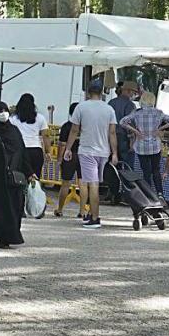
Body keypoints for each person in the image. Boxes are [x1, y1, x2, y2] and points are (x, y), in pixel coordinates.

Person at [0, 101, 39, 248]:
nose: (3, 113)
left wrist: (30, 172)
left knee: (15, 207)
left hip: (15, 176)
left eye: (5, 110)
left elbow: (22, 153)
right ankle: (2, 239)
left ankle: (13, 235)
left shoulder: (14, 131)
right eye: (0, 111)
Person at [67, 84, 118, 229]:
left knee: (92, 184)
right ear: (102, 93)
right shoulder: (109, 109)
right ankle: (91, 214)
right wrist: (114, 153)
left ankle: (95, 217)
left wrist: (68, 148)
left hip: (87, 150)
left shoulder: (81, 107)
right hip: (104, 151)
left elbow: (74, 130)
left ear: (88, 93)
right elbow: (112, 132)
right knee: (95, 183)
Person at [120, 91, 169, 196]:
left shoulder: (136, 113)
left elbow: (122, 122)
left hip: (141, 146)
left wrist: (136, 131)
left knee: (146, 171)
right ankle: (160, 193)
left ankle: (149, 194)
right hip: (155, 146)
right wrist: (160, 128)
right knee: (156, 170)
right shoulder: (158, 112)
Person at [9, 93, 49, 183]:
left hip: (20, 151)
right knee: (35, 179)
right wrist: (48, 151)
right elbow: (46, 136)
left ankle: (21, 196)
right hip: (36, 151)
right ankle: (33, 196)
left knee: (19, 178)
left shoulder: (13, 119)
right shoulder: (40, 118)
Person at [54, 103, 81, 218]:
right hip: (83, 155)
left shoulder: (66, 126)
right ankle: (83, 211)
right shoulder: (85, 126)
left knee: (65, 184)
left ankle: (60, 209)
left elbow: (62, 144)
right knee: (83, 184)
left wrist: (59, 159)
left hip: (69, 156)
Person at [109, 81, 138, 166]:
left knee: (111, 166)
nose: (134, 95)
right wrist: (132, 143)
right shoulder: (130, 105)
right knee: (127, 168)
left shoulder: (111, 102)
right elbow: (130, 124)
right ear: (129, 91)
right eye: (134, 92)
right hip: (124, 139)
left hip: (110, 137)